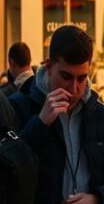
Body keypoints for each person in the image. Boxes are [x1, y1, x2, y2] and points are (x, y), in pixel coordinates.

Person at [10, 25, 104, 204]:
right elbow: (7, 174)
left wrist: (97, 198)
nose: (74, 89)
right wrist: (39, 124)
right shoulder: (18, 106)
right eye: (66, 77)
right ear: (49, 66)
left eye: (82, 78)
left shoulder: (99, 113)